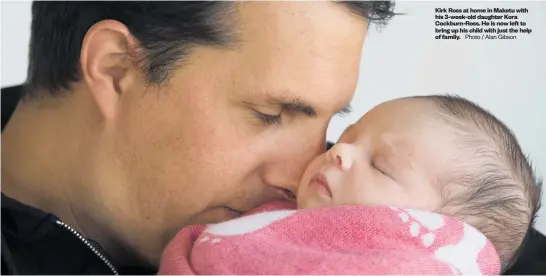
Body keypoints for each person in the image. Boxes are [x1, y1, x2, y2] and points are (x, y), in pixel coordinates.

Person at [1, 1, 397, 274]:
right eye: (270, 116)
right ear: (116, 68)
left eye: (332, 126)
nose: (305, 177)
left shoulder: (367, 212)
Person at [158, 95, 542, 275]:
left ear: (430, 233)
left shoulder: (410, 268)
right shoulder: (280, 209)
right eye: (347, 135)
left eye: (381, 166)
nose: (338, 151)